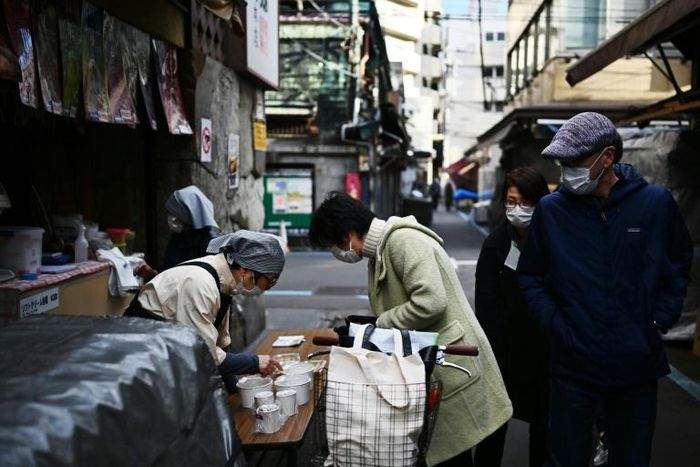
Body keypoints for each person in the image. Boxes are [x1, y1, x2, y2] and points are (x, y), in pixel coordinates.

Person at [517, 112, 693, 467]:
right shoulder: (552, 211)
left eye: (574, 161)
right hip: (573, 367)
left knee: (631, 459)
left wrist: (659, 319)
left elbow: (679, 264)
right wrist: (557, 326)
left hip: (636, 367)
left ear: (608, 156)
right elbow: (531, 277)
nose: (565, 170)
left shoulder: (654, 204)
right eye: (561, 162)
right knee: (567, 459)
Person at [308, 192, 512, 467]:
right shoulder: (381, 250)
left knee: (453, 453)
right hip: (435, 361)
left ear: (347, 235)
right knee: (447, 452)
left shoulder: (403, 241)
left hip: (452, 362)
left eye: (332, 246)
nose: (337, 254)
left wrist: (379, 324)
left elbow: (431, 302)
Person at [124, 230, 285, 392]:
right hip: (142, 352)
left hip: (167, 349)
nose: (269, 287)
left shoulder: (224, 281)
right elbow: (205, 354)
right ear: (246, 269)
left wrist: (235, 390)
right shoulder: (201, 284)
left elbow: (220, 343)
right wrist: (254, 363)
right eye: (270, 280)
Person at [474, 167, 550, 467]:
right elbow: (486, 304)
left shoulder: (554, 240)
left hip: (545, 350)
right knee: (493, 429)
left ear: (539, 202)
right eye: (510, 201)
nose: (516, 209)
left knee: (544, 427)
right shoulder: (496, 243)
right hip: (503, 353)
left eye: (524, 202)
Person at [135, 185, 220, 281]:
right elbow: (168, 276)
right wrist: (151, 274)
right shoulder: (176, 242)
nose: (171, 218)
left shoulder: (212, 245)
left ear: (187, 216)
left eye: (174, 214)